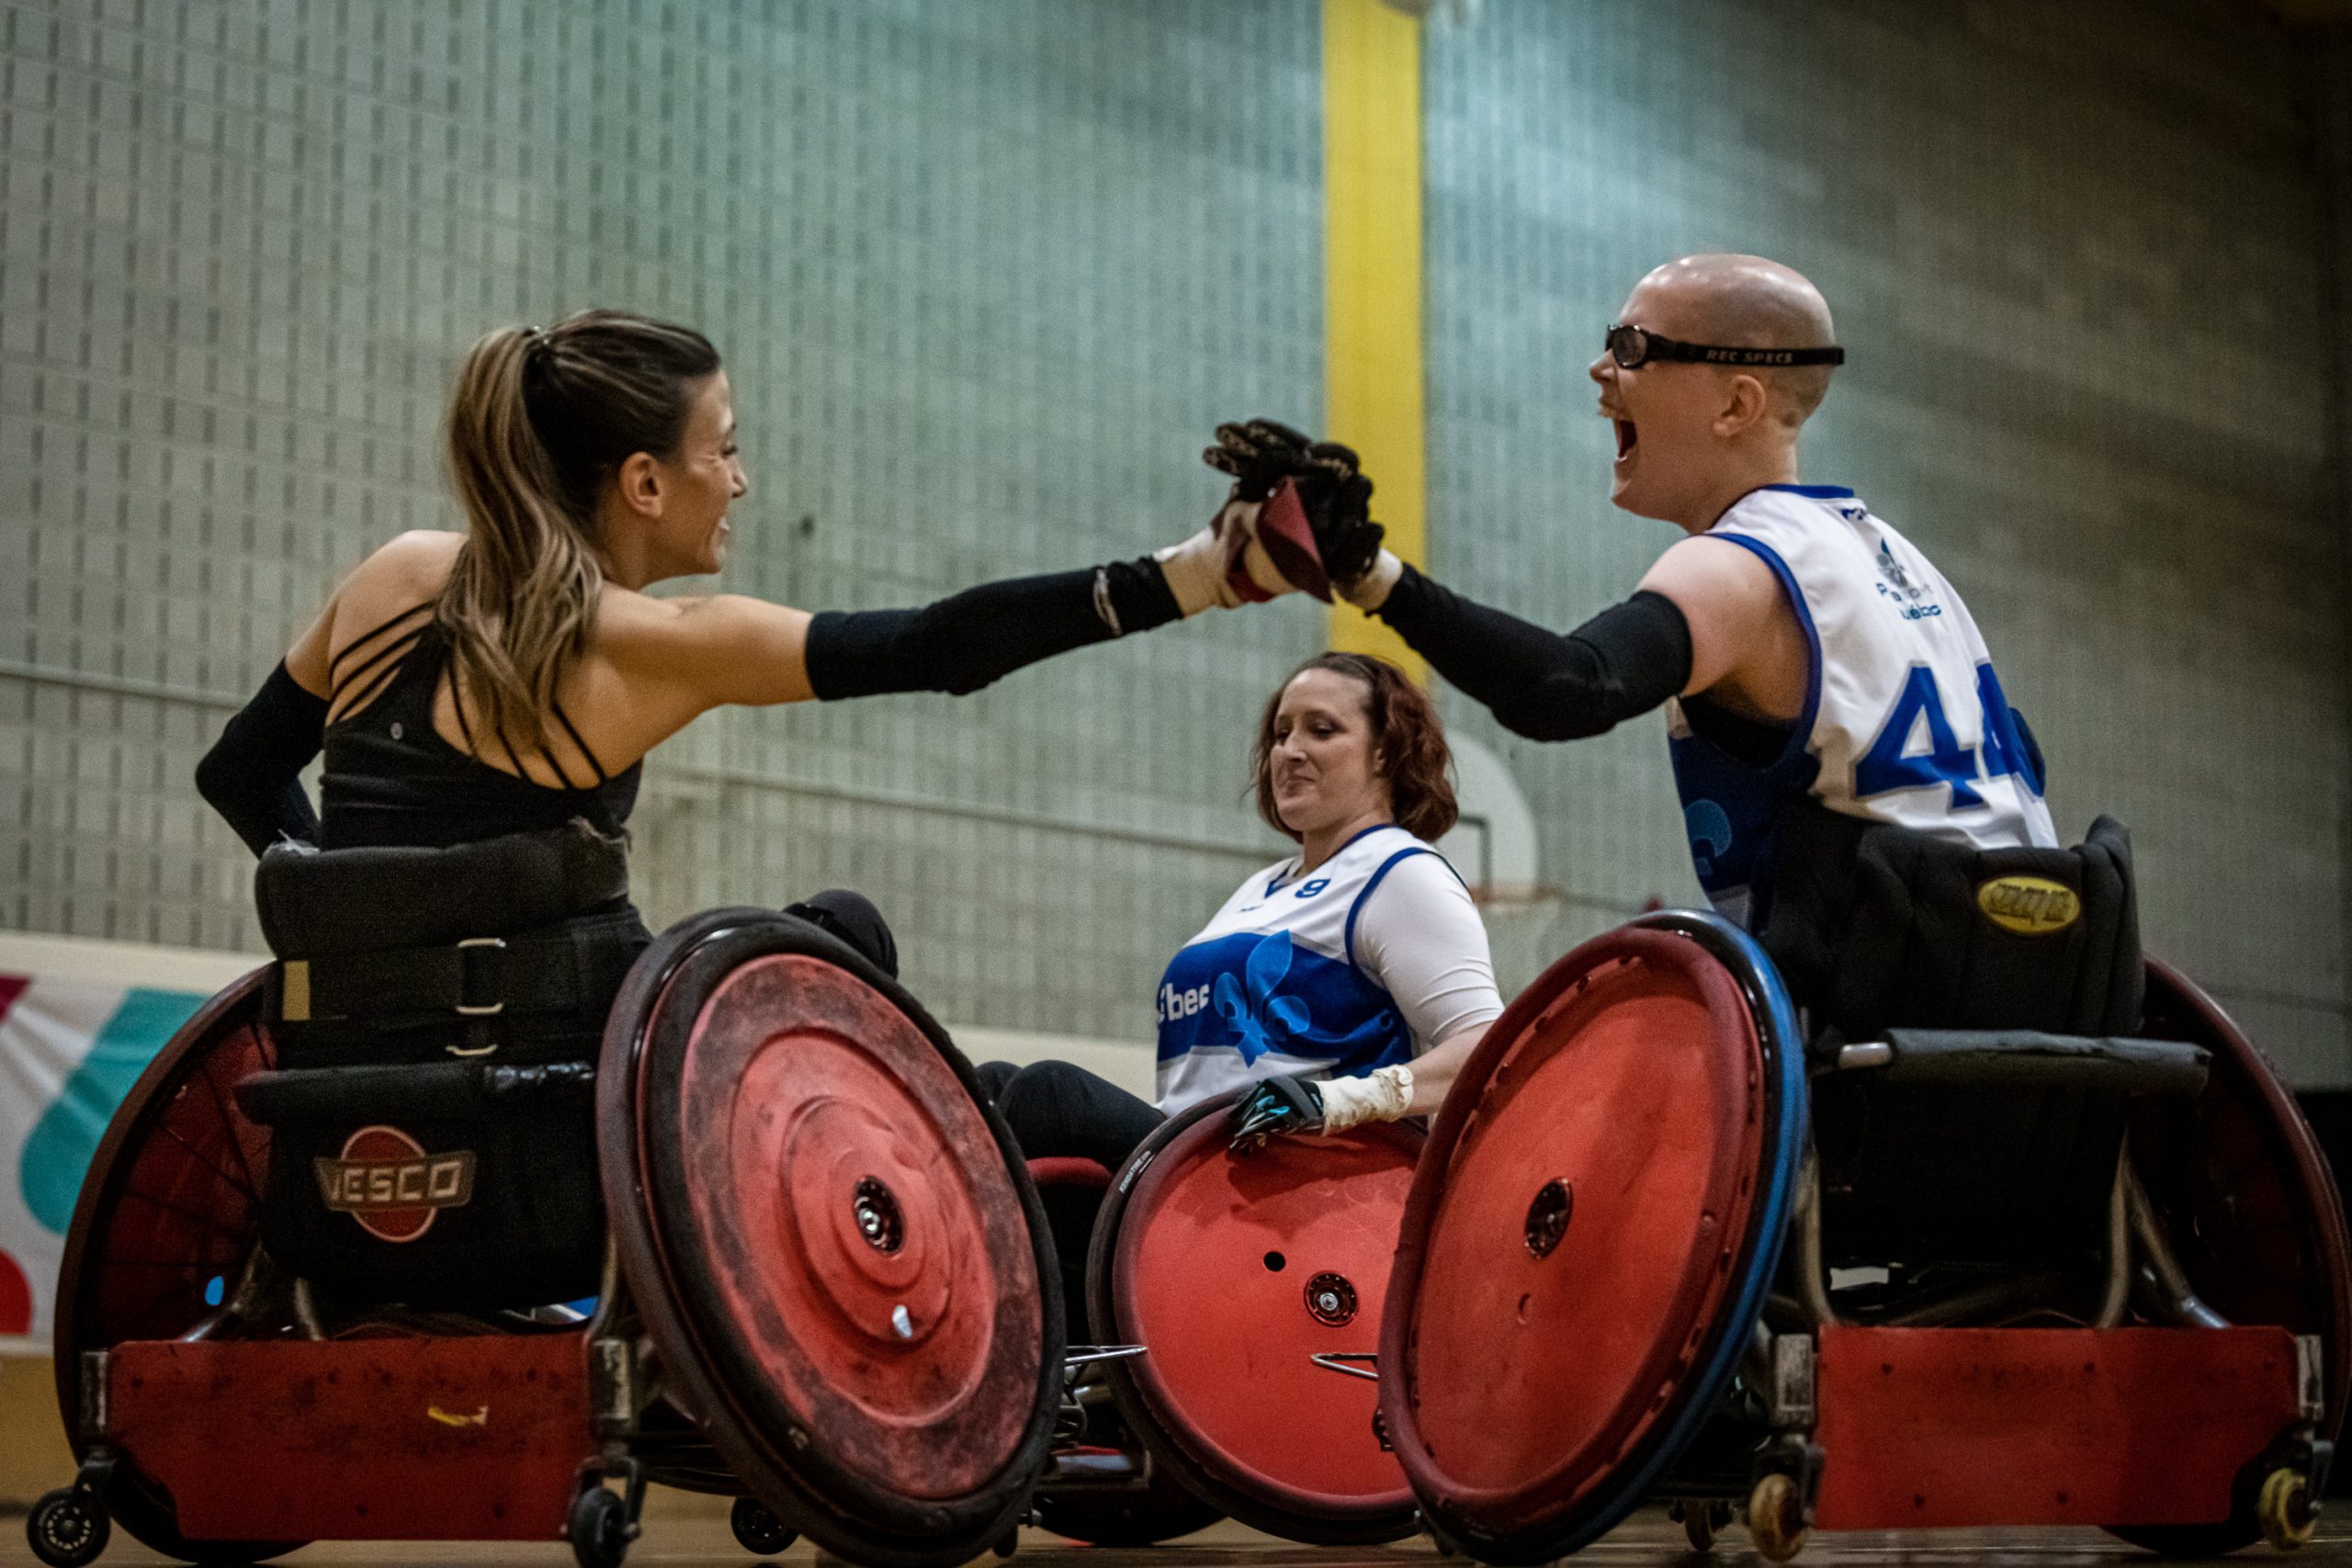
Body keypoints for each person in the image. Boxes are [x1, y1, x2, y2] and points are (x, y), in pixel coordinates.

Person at [188, 308, 1341, 1307]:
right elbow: (938, 646)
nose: (738, 481)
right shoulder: (649, 645)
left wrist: (359, 919)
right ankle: (1282, 1246)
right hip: (570, 1136)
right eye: (723, 452)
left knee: (838, 943)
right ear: (644, 482)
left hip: (345, 1110)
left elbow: (239, 773)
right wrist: (1206, 571)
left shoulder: (390, 579)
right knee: (958, 1035)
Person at [1211, 254, 2059, 973]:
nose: (1600, 369)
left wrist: (1371, 574)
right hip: (2046, 996)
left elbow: (1568, 686)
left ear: (1736, 405)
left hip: (1899, 1024)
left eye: (1633, 348)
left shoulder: (1742, 565)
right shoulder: (1903, 564)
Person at [983, 651, 1504, 1167]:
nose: (1290, 752)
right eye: (1282, 734)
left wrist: (1338, 1101)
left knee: (1050, 1094)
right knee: (983, 1090)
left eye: (1321, 731)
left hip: (1301, 1182)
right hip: (1192, 1164)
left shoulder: (1400, 873)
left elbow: (1486, 1049)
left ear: (1385, 753)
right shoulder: (1261, 887)